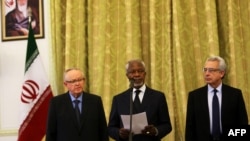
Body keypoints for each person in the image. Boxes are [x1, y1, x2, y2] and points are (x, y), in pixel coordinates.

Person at [185, 56, 248, 141]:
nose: (207, 73)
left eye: (211, 70)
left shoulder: (235, 94)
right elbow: (190, 127)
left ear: (221, 73)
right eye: (205, 70)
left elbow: (242, 123)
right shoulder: (194, 96)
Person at [108, 59, 172, 141]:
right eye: (132, 72)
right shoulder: (118, 99)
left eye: (140, 71)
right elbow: (111, 128)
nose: (137, 74)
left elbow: (167, 125)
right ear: (127, 75)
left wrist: (155, 131)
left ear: (145, 74)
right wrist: (119, 133)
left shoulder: (158, 97)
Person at [46, 68, 109, 141]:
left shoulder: (95, 101)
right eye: (73, 81)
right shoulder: (56, 103)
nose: (77, 84)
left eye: (80, 80)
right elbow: (51, 132)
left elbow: (103, 131)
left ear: (84, 81)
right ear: (66, 84)